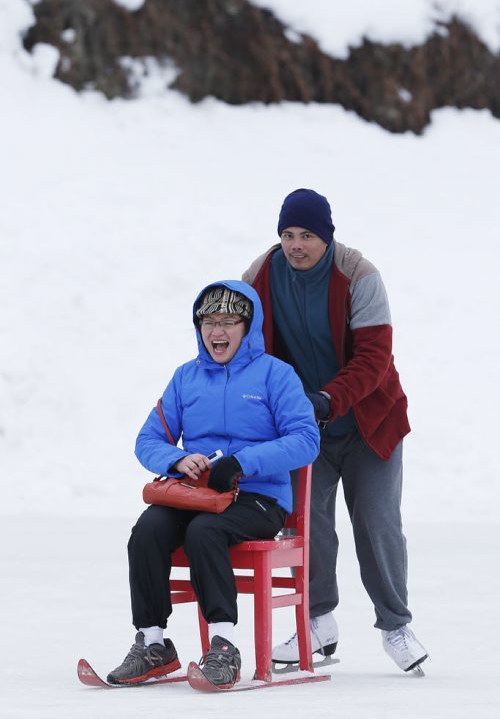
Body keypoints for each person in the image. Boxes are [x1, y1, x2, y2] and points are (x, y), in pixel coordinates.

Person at [242, 188, 428, 674]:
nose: (295, 244)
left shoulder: (359, 276)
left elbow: (374, 358)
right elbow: (244, 351)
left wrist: (327, 399)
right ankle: (317, 622)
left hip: (369, 422)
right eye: (287, 234)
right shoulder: (259, 277)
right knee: (307, 527)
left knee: (377, 523)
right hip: (305, 430)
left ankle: (395, 626)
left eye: (306, 235)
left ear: (327, 236)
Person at [107, 280, 320, 689]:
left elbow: (306, 440)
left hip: (258, 499)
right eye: (207, 322)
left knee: (207, 533)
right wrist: (177, 458)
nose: (216, 331)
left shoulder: (277, 375)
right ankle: (154, 646)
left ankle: (224, 648)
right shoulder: (186, 377)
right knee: (147, 530)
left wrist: (243, 462)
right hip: (199, 495)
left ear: (249, 326)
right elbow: (147, 440)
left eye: (227, 321)